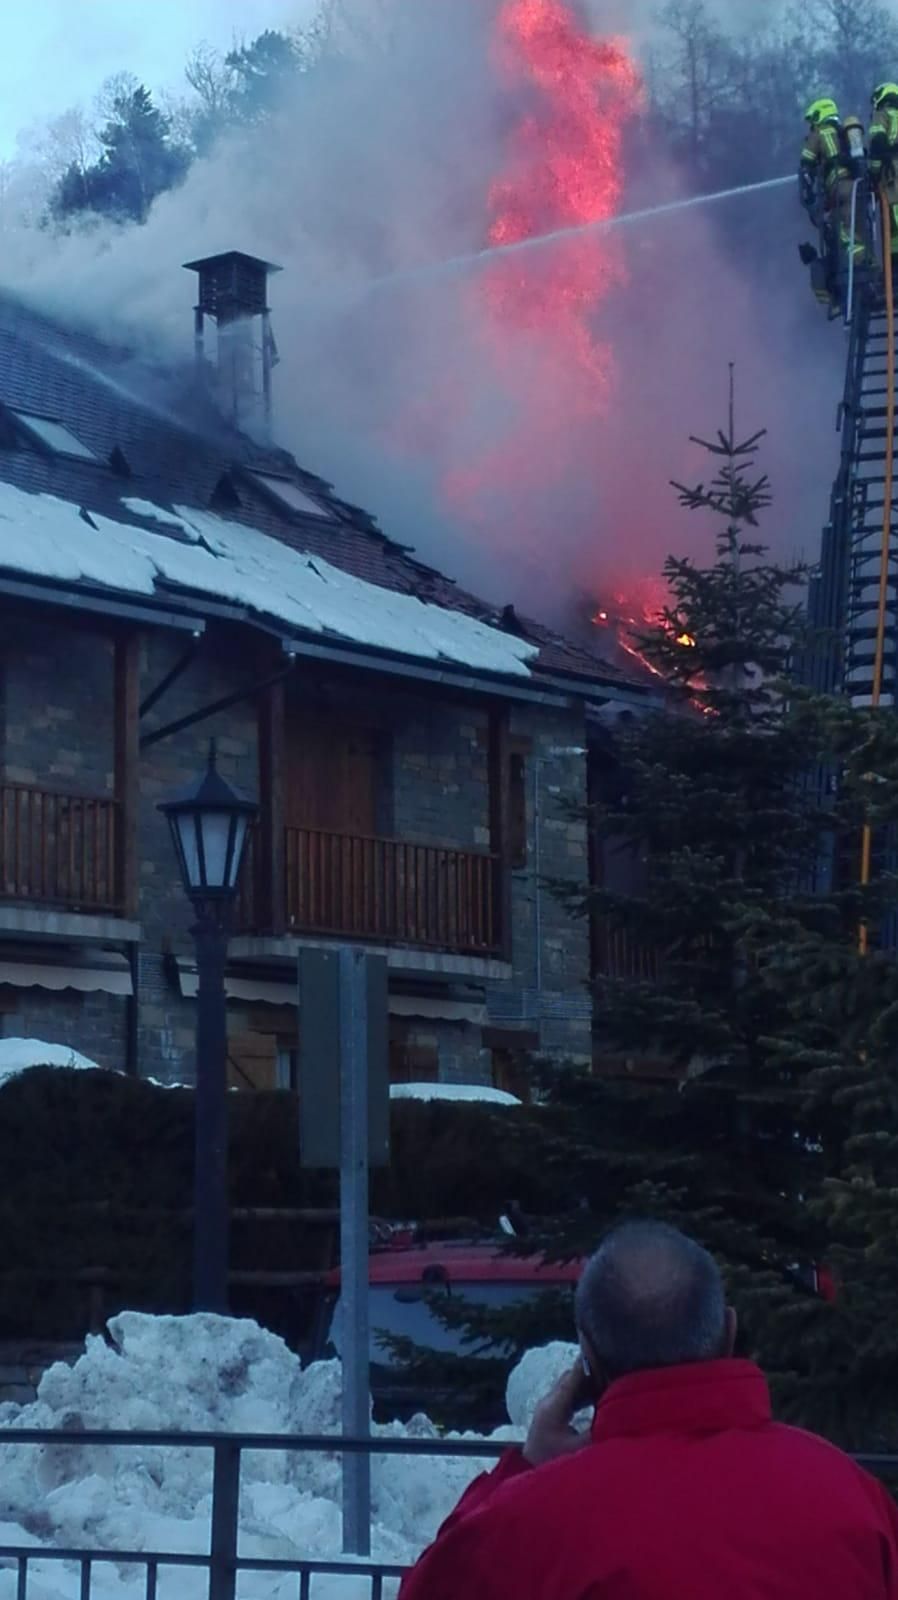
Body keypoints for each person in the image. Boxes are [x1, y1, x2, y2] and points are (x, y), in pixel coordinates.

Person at [399, 1221, 898, 1599]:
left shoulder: (528, 1527)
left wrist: (527, 1463)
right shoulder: (854, 1498)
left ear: (587, 1357)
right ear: (727, 1332)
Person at [799, 98, 865, 309]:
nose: (811, 126)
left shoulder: (819, 133)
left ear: (820, 115)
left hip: (838, 189)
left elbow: (806, 162)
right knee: (855, 231)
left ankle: (857, 268)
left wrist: (809, 197)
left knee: (839, 231)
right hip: (858, 191)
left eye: (813, 120)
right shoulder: (844, 135)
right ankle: (864, 263)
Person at [870, 83, 898, 257]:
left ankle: (895, 268)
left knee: (894, 226)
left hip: (894, 177)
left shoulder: (882, 114)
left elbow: (877, 144)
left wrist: (874, 174)